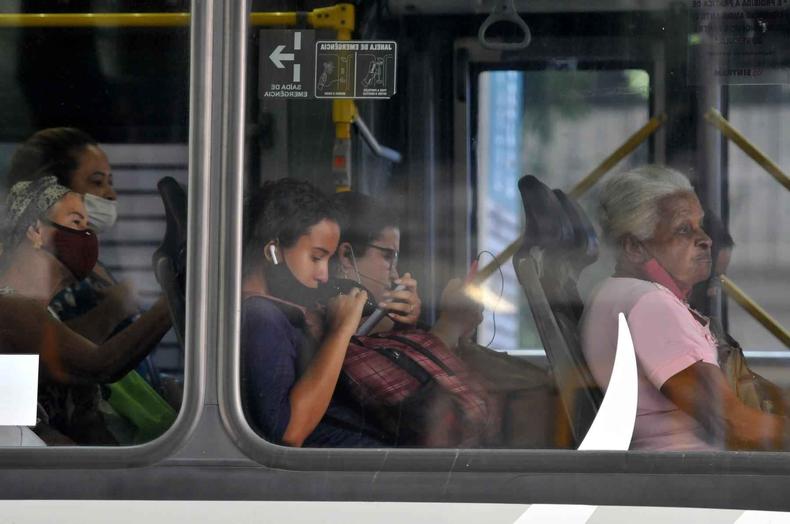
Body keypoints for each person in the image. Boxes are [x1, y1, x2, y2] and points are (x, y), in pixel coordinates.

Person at [580, 165, 788, 451]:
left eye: (699, 225)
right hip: (695, 479)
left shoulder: (614, 294)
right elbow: (737, 425)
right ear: (634, 247)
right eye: (683, 229)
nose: (706, 239)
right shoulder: (651, 305)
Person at [0, 176, 172, 445]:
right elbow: (101, 365)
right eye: (76, 222)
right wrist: (173, 300)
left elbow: (13, 414)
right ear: (35, 230)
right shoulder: (9, 308)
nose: (87, 236)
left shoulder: (32, 310)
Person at [241, 179, 384, 448]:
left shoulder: (281, 312)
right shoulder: (260, 317)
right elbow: (289, 432)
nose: (323, 274)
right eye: (316, 258)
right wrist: (340, 333)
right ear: (273, 252)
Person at [6, 128, 136, 344]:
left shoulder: (87, 261)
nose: (111, 194)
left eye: (109, 182)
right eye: (97, 182)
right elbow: (41, 354)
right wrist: (112, 310)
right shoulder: (32, 271)